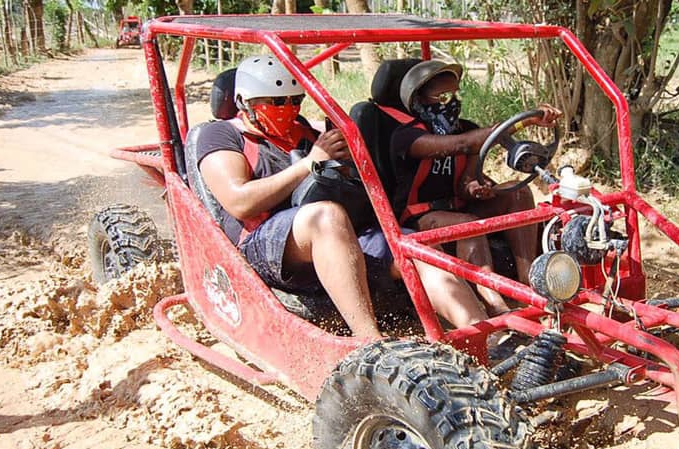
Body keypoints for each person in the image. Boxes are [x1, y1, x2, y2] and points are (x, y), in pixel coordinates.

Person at [197, 55, 488, 338]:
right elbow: (240, 202)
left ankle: (484, 334)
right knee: (326, 215)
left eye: (294, 101)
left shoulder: (307, 133)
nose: (287, 108)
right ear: (244, 103)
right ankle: (370, 341)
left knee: (415, 248)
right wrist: (310, 162)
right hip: (264, 242)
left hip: (337, 232)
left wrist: (348, 163)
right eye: (275, 103)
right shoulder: (222, 135)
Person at [390, 59, 561, 316]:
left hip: (458, 208)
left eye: (455, 94)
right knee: (468, 223)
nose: (452, 102)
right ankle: (495, 304)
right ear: (419, 98)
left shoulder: (465, 128)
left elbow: (465, 182)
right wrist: (525, 121)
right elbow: (460, 145)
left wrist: (475, 189)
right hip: (420, 217)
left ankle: (530, 284)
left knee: (518, 191)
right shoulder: (406, 136)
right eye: (443, 95)